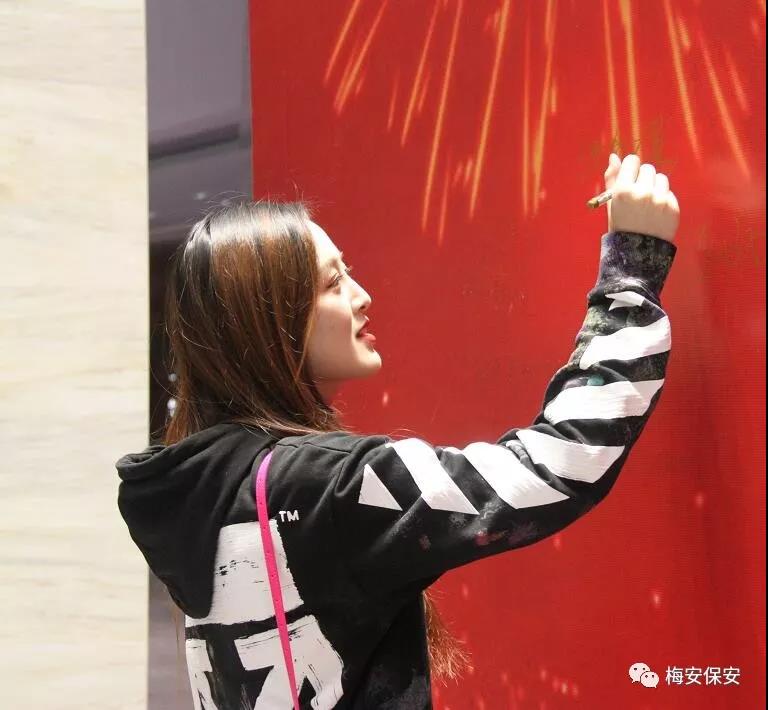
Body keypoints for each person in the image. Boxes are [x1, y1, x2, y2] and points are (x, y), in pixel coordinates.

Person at [116, 153, 680, 709]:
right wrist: (632, 270)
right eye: (333, 282)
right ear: (267, 321)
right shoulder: (329, 485)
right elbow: (556, 464)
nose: (362, 296)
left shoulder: (198, 494)